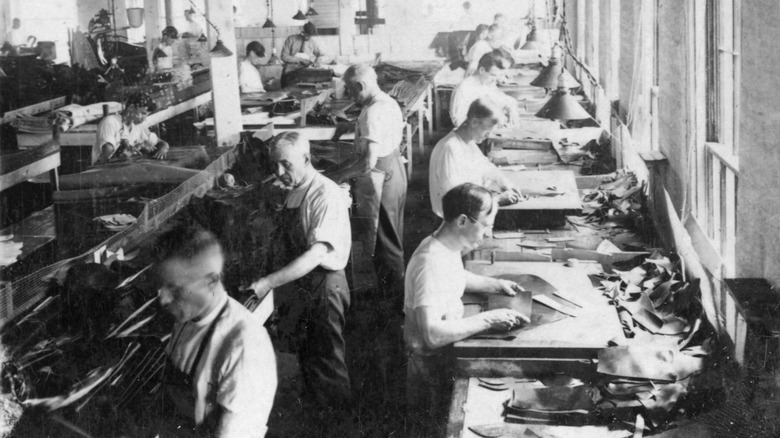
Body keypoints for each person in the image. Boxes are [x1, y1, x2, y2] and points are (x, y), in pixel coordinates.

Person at [247, 132, 353, 414]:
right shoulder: (295, 188)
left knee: (328, 367)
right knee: (310, 363)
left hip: (324, 287)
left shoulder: (324, 194)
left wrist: (268, 282)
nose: (279, 172)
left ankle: (341, 427)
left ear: (306, 159)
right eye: (275, 165)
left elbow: (315, 254)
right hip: (304, 287)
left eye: (286, 165)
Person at [404, 183, 530, 414]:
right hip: (431, 365)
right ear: (462, 221)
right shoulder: (429, 262)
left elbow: (454, 275)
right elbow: (431, 335)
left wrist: (495, 285)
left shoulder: (443, 246)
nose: (488, 234)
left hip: (445, 351)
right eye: (485, 226)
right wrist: (488, 320)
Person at [155, 226, 277, 437]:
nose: (163, 300)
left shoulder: (245, 346)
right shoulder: (189, 313)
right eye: (161, 286)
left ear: (211, 281)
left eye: (175, 288)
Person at [330, 64, 406, 303]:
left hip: (380, 176)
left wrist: (338, 177)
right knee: (392, 236)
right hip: (395, 168)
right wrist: (351, 126)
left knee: (383, 240)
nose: (351, 96)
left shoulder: (373, 112)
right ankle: (390, 292)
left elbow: (366, 163)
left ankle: (393, 302)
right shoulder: (386, 102)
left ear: (360, 86)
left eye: (352, 91)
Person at [430, 99, 521, 218]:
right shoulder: (450, 148)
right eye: (488, 130)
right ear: (474, 122)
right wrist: (496, 200)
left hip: (470, 212)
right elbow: (456, 200)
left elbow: (487, 168)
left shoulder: (468, 142)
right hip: (454, 221)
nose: (489, 135)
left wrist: (506, 184)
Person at [92, 92, 169, 164]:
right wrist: (138, 146)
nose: (144, 118)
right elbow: (106, 155)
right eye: (143, 113)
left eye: (146, 115)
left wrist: (163, 148)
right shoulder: (111, 122)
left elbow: (161, 143)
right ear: (131, 107)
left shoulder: (138, 127)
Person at [449, 50, 519, 127]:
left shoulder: (487, 84)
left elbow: (503, 99)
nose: (496, 79)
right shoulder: (464, 89)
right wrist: (492, 122)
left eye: (499, 75)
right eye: (493, 75)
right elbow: (459, 122)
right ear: (482, 70)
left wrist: (511, 106)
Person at [280, 22, 324, 86]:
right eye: (307, 35)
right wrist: (301, 60)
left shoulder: (312, 42)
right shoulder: (291, 39)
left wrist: (318, 60)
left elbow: (321, 54)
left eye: (310, 36)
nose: (309, 37)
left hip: (305, 73)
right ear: (302, 32)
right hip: (290, 72)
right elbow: (284, 56)